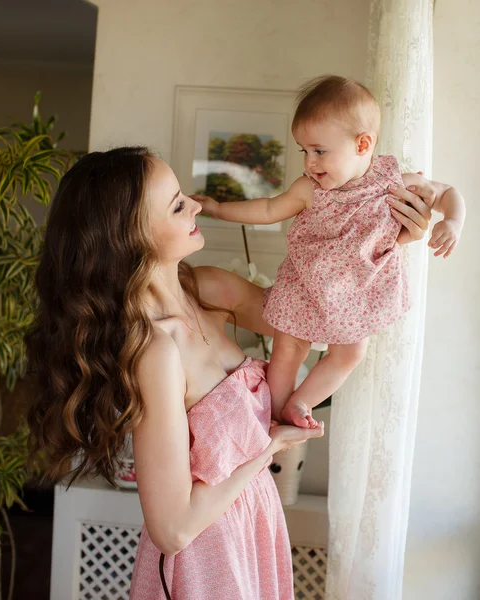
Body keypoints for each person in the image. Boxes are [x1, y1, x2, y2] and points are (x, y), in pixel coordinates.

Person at [26, 146, 432, 599]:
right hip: (207, 560)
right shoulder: (154, 352)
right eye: (179, 204)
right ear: (130, 235)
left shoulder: (209, 290)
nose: (198, 205)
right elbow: (173, 530)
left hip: (253, 531)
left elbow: (321, 322)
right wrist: (269, 446)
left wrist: (387, 243)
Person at [192, 75, 466, 431]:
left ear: (363, 144)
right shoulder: (309, 189)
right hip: (305, 284)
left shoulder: (393, 178)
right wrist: (217, 207)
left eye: (319, 151)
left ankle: (301, 401)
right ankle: (274, 416)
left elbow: (446, 193)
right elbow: (266, 210)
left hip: (357, 291)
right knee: (289, 349)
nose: (309, 162)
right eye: (304, 150)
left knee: (352, 353)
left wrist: (454, 222)